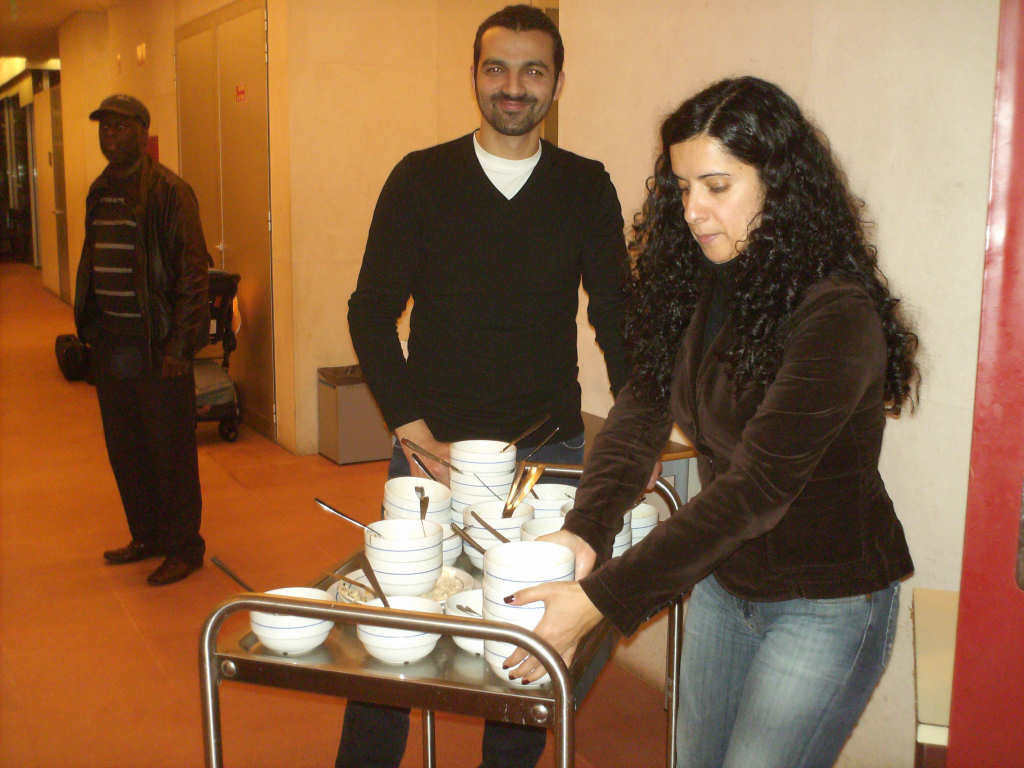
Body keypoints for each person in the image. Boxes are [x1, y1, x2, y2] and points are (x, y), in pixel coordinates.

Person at [504, 76, 921, 768]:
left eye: (717, 187)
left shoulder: (836, 313)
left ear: (780, 186)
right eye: (682, 187)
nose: (694, 211)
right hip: (728, 581)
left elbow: (757, 487)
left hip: (827, 601)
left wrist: (600, 600)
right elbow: (640, 410)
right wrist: (586, 528)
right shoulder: (700, 278)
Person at [342, 5, 629, 767]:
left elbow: (616, 314)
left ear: (557, 83)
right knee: (398, 626)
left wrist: (636, 424)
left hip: (547, 452)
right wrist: (410, 428)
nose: (513, 86)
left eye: (534, 70)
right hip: (431, 449)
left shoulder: (585, 185)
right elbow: (370, 310)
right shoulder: (421, 178)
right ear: (474, 75)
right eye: (496, 68)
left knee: (527, 636)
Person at [75, 94, 210, 586]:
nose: (109, 135)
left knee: (169, 452)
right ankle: (147, 535)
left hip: (158, 348)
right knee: (126, 448)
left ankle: (184, 547)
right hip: (112, 345)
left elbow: (193, 274)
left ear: (142, 133)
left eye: (119, 127)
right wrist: (90, 328)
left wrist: (181, 347)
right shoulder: (99, 190)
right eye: (103, 127)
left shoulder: (170, 192)